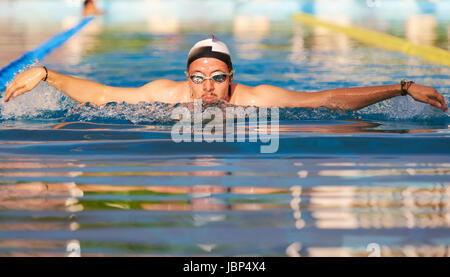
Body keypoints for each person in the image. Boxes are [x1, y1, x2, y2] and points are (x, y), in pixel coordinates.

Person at [3, 36, 447, 112]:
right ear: (186, 75)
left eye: (217, 77)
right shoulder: (166, 94)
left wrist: (402, 87)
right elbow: (100, 94)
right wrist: (45, 73)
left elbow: (327, 99)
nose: (208, 87)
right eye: (198, 78)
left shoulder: (257, 99)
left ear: (232, 76)